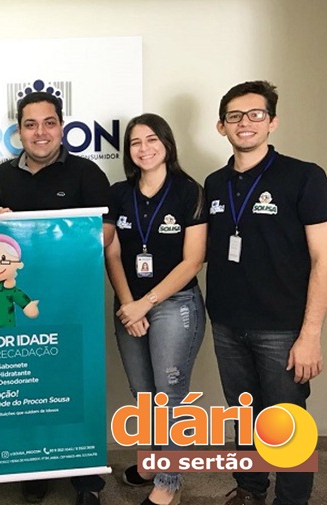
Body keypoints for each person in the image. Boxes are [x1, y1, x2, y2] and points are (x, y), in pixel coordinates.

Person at [206, 81, 327, 505]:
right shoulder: (214, 183)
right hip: (227, 323)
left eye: (255, 114)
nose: (245, 123)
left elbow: (325, 259)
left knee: (287, 422)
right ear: (222, 126)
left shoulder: (304, 176)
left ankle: (292, 500)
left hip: (282, 327)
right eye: (235, 116)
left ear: (272, 122)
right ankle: (250, 490)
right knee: (244, 416)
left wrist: (311, 334)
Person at [0, 91, 111, 505]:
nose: (40, 132)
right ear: (19, 131)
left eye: (48, 123)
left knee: (77, 388)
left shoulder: (87, 173)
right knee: (26, 388)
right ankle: (35, 469)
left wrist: (43, 238)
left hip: (74, 302)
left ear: (61, 126)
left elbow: (105, 234)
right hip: (17, 307)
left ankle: (87, 481)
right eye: (30, 124)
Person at [104, 114, 206, 505]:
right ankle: (150, 462)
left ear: (167, 144)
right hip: (129, 303)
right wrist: (129, 304)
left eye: (152, 140)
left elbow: (192, 261)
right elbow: (111, 252)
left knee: (170, 396)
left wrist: (146, 303)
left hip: (175, 304)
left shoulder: (189, 191)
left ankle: (168, 484)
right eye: (135, 142)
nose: (144, 148)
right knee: (143, 393)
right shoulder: (119, 193)